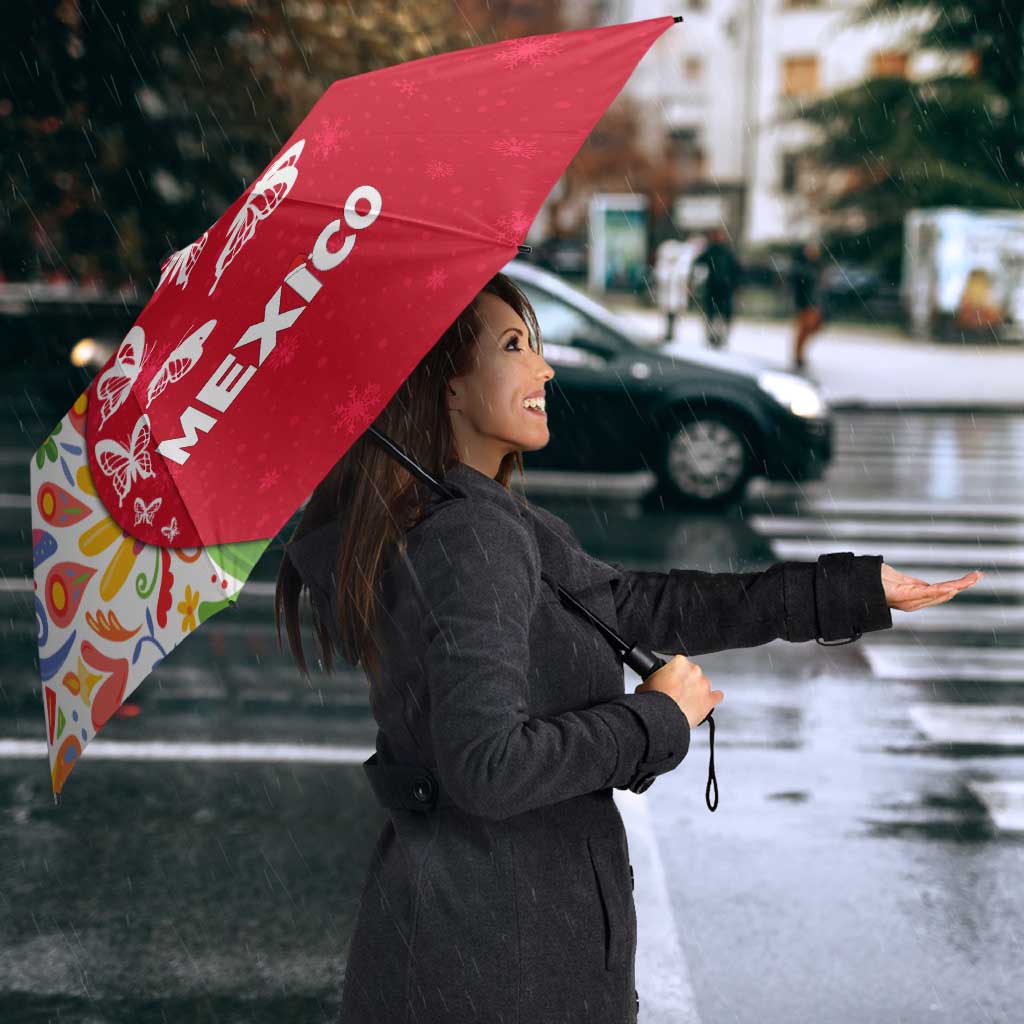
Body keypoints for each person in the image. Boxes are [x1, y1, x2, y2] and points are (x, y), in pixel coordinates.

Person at [274, 272, 982, 1024]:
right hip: (496, 963)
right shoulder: (469, 537)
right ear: (445, 388)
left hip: (484, 943)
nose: (544, 368)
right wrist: (654, 719)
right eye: (514, 346)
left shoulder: (480, 519)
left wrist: (850, 590)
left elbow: (642, 605)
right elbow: (487, 768)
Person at [692, 226, 742, 349]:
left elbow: (736, 270)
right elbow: (698, 264)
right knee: (713, 314)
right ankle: (713, 337)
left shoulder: (725, 252)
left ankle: (719, 337)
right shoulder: (712, 251)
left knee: (720, 315)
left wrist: (735, 284)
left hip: (723, 288)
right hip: (715, 288)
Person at [790, 239, 826, 370]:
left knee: (812, 328)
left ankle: (799, 354)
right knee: (804, 329)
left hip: (814, 303)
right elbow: (799, 286)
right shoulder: (802, 267)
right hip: (805, 303)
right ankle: (798, 355)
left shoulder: (817, 266)